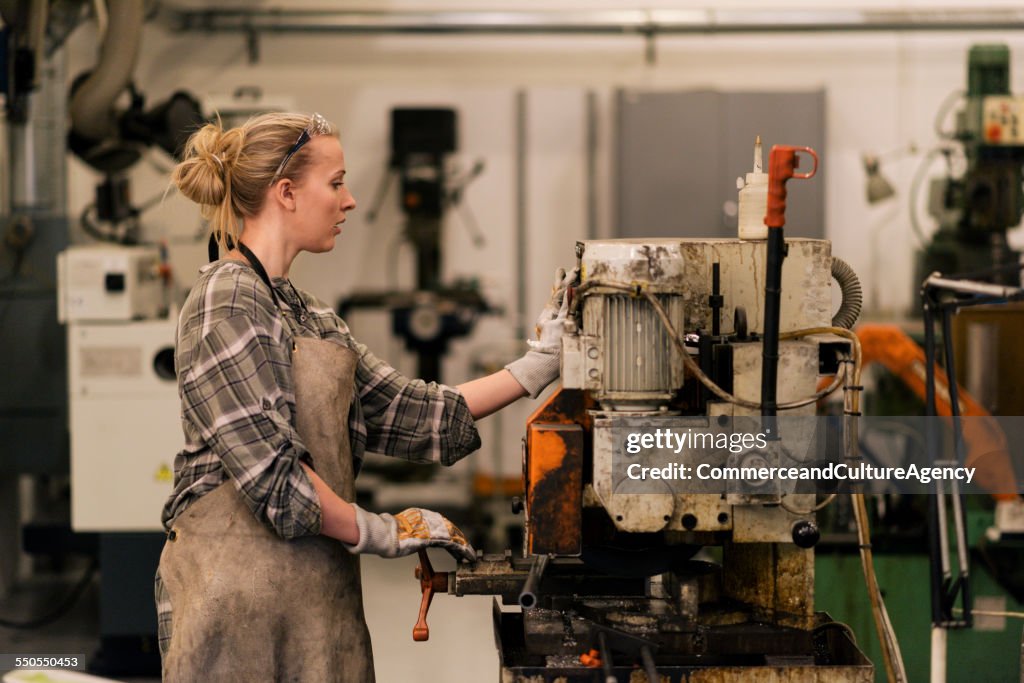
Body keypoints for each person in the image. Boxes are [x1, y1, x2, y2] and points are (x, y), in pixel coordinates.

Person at [154, 111, 575, 682]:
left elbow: (410, 411)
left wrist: (539, 364)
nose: (349, 201)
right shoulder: (226, 302)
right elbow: (274, 480)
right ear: (286, 193)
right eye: (335, 183)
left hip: (312, 588)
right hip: (233, 600)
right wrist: (381, 531)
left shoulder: (308, 312)